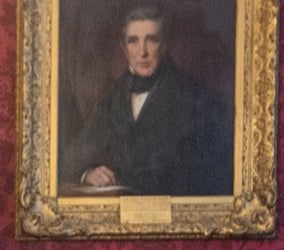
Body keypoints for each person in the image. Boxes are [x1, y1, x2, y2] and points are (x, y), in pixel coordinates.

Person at [60, 6, 231, 196]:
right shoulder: (115, 97)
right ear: (124, 49)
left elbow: (214, 175)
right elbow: (70, 159)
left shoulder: (195, 97)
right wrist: (87, 174)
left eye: (151, 40)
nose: (142, 52)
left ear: (164, 45)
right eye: (133, 41)